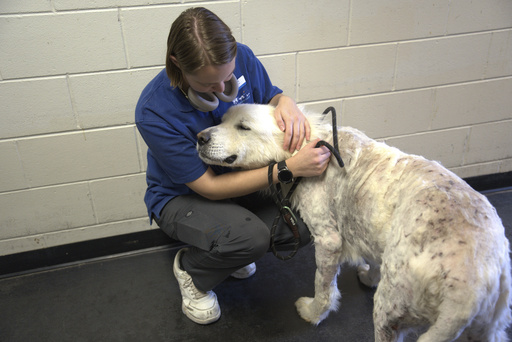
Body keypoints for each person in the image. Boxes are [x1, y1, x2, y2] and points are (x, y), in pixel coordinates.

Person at [135, 7, 331, 325]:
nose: (223, 90)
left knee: (302, 225)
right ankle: (192, 271)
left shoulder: (244, 58)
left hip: (244, 182)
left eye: (228, 78)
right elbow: (209, 188)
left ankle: (229, 250)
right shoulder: (154, 111)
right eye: (208, 85)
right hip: (183, 197)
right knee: (249, 238)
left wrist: (287, 103)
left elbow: (272, 100)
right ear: (177, 65)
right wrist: (289, 168)